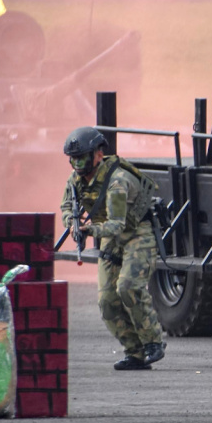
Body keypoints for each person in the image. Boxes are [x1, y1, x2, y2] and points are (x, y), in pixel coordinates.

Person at [60, 126, 166, 371]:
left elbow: (117, 225)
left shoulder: (117, 181)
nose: (77, 164)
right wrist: (71, 222)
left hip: (136, 233)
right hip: (108, 235)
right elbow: (66, 206)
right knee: (107, 300)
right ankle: (135, 352)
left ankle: (153, 342)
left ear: (98, 154)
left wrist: (90, 231)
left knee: (128, 287)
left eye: (82, 157)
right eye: (73, 159)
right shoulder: (75, 180)